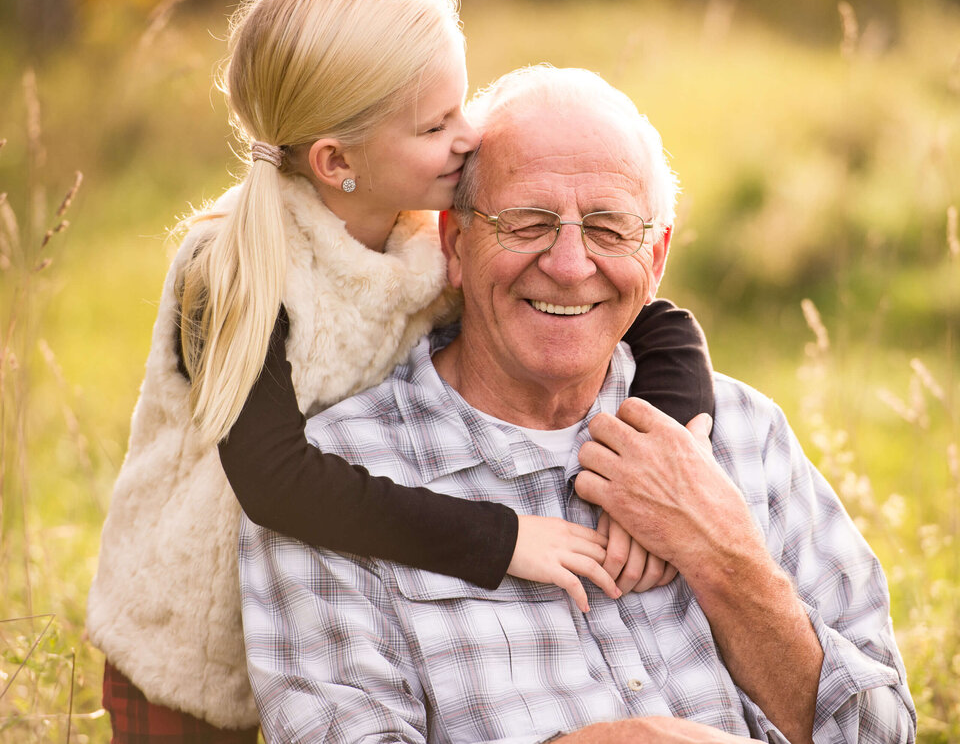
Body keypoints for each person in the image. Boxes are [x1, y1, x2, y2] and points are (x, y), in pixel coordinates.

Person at [87, 0, 712, 743]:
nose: (470, 136)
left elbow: (659, 323)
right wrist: (504, 536)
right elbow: (276, 483)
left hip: (317, 624)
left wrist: (670, 451)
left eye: (462, 105)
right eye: (434, 126)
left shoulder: (421, 238)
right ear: (336, 162)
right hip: (192, 647)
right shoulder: (235, 270)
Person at [241, 65, 917, 743]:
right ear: (453, 242)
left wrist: (723, 553)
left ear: (655, 256)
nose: (569, 265)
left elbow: (883, 734)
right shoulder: (335, 484)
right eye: (526, 224)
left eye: (609, 229)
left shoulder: (745, 434)